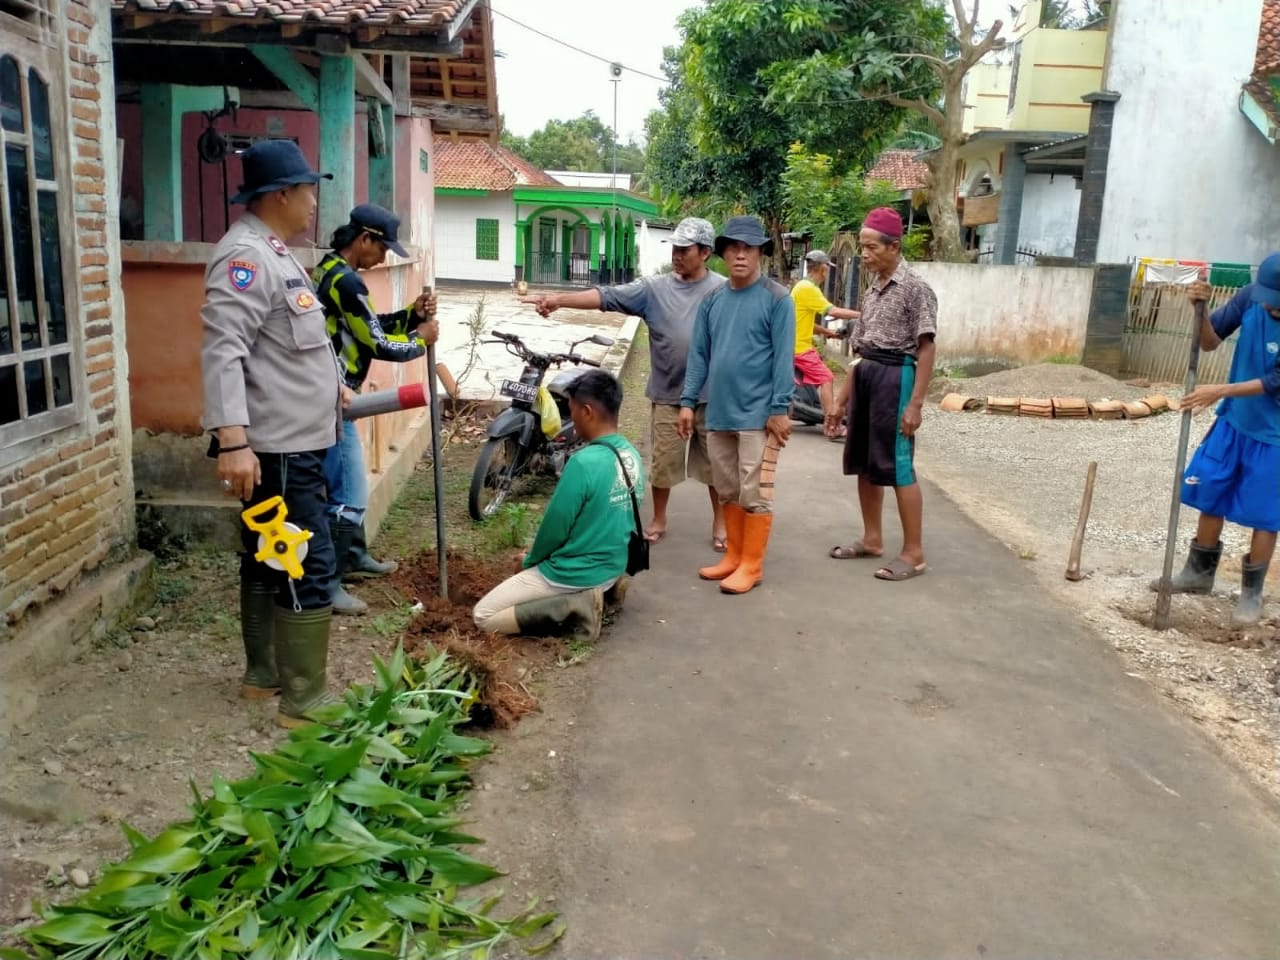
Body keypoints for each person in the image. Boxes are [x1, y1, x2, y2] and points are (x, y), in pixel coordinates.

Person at [200, 139, 342, 727]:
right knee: (305, 559)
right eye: (308, 189)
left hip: (293, 440)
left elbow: (284, 345)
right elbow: (222, 350)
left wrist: (335, 383)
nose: (314, 201)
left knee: (267, 558)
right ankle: (305, 699)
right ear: (280, 194)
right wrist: (233, 439)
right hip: (277, 449)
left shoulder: (276, 253)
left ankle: (264, 676)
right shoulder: (246, 258)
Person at [524, 218, 728, 549]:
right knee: (663, 464)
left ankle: (721, 524)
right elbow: (606, 296)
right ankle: (659, 518)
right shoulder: (654, 288)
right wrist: (560, 299)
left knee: (717, 468)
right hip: (668, 394)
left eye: (685, 249)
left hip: (713, 397)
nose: (677, 254)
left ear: (705, 252)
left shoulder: (722, 290)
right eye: (674, 248)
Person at [312, 203, 439, 615]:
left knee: (350, 483)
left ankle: (352, 556)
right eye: (382, 248)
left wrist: (410, 316)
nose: (383, 258)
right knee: (347, 494)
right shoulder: (346, 283)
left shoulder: (332, 272)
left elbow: (368, 323)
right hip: (332, 400)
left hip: (334, 394)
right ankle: (328, 583)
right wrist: (420, 338)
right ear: (363, 239)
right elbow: (378, 344)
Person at [1152, 254, 1280, 624]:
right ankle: (1198, 573)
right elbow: (1208, 341)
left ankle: (1251, 595)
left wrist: (1219, 390)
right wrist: (1200, 308)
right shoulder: (1250, 297)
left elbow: (1274, 382)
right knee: (1211, 490)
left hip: (1274, 436)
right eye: (1267, 297)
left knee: (1265, 514)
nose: (1269, 304)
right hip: (1234, 422)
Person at [473, 370, 644, 642]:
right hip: (613, 566)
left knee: (483, 615)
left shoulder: (583, 463)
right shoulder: (631, 454)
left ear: (587, 411)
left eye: (572, 410)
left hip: (575, 574)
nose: (571, 419)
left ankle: (577, 607)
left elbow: (555, 529)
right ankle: (605, 590)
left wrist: (529, 562)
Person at [678, 216, 795, 595]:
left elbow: (782, 360)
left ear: (760, 252)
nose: (740, 254)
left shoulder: (777, 299)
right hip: (718, 413)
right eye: (733, 247)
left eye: (748, 247)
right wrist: (687, 402)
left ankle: (752, 565)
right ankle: (733, 556)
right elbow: (699, 356)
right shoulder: (713, 300)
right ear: (724, 253)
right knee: (726, 488)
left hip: (757, 417)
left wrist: (779, 409)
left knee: (754, 492)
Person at [826, 207, 937, 582]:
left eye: (872, 248)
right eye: (863, 247)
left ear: (894, 246)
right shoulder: (872, 291)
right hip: (867, 377)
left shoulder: (916, 288)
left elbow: (926, 347)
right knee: (864, 462)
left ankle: (914, 553)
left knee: (898, 465)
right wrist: (840, 402)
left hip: (897, 379)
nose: (865, 255)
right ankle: (872, 539)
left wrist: (915, 403)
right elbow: (860, 353)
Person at [791, 249, 861, 433]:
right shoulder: (808, 289)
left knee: (821, 376)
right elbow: (833, 311)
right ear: (822, 268)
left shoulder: (801, 287)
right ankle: (832, 425)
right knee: (826, 378)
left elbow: (803, 322)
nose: (827, 272)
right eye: (827, 268)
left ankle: (822, 414)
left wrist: (828, 332)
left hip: (798, 345)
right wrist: (864, 315)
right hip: (799, 348)